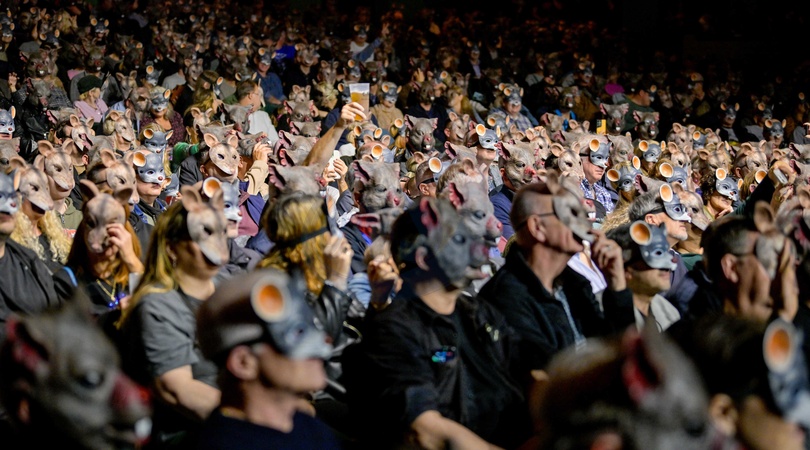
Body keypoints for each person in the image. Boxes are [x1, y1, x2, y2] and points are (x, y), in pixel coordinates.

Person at [344, 197, 531, 449]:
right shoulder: (393, 330)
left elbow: (528, 370)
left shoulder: (477, 311)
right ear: (423, 258)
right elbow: (425, 431)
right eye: (459, 240)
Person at [478, 178, 633, 376]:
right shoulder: (505, 297)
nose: (584, 219)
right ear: (538, 227)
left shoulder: (574, 283)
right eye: (570, 213)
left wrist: (617, 283)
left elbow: (617, 347)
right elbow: (546, 375)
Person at [119, 190, 230, 448]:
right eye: (202, 235)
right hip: (187, 434)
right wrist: (251, 418)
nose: (216, 244)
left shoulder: (227, 287)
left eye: (220, 233)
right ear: (172, 248)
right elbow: (177, 389)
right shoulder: (158, 304)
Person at [195, 269, 341, 450]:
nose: (322, 340)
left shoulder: (312, 431)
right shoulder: (220, 444)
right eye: (297, 333)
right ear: (243, 362)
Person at [607, 222, 681, 331]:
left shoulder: (669, 312)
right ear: (624, 266)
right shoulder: (602, 311)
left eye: (666, 252)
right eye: (658, 254)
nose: (667, 266)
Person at [235, 79, 279, 145]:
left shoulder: (263, 115)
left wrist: (268, 143)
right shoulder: (231, 115)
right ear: (251, 95)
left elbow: (274, 140)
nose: (260, 99)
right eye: (258, 94)